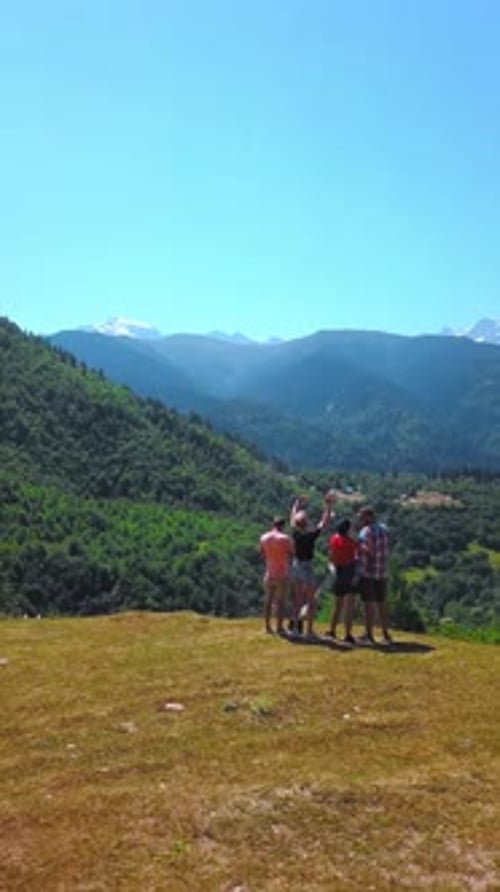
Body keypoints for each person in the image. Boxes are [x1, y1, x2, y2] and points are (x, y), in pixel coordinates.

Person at [289, 491, 335, 637]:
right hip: (307, 566)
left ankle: (295, 629)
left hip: (296, 565)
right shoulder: (310, 535)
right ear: (306, 523)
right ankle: (309, 631)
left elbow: (291, 519)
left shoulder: (295, 534)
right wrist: (328, 506)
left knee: (297, 599)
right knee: (310, 599)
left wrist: (296, 505)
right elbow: (324, 522)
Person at [357, 505, 392, 644]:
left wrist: (358, 547)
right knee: (381, 604)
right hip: (382, 571)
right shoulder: (385, 529)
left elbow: (367, 551)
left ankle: (369, 634)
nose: (360, 520)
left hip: (368, 572)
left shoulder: (365, 532)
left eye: (362, 517)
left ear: (368, 517)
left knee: (368, 605)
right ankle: (385, 633)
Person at [259, 516, 294, 634]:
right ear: (283, 526)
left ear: (273, 524)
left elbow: (262, 553)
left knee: (268, 600)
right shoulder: (285, 539)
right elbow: (291, 553)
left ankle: (267, 627)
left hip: (269, 572)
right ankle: (279, 627)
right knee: (281, 601)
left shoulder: (264, 537)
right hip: (282, 573)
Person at [326, 518, 358, 643]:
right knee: (349, 606)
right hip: (349, 572)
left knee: (337, 605)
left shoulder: (334, 539)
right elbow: (362, 550)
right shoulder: (350, 542)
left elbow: (331, 555)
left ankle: (332, 630)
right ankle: (347, 634)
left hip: (339, 572)